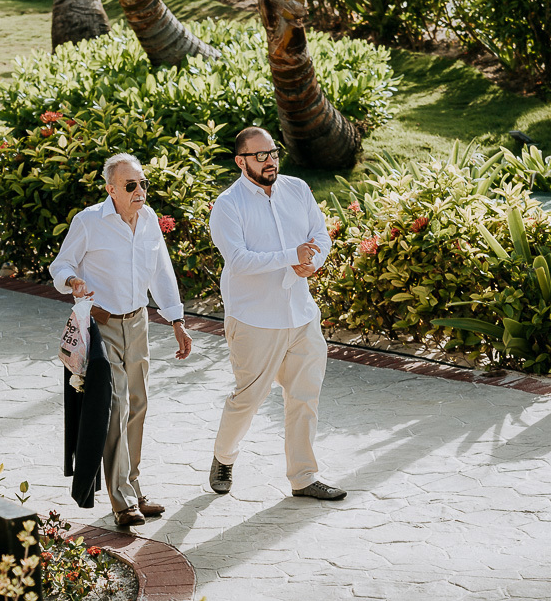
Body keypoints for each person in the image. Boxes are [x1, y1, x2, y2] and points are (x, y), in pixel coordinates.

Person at [49, 153, 193, 526]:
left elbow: (162, 271)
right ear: (111, 189)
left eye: (143, 183)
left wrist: (176, 319)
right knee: (114, 407)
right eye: (131, 185)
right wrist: (72, 282)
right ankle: (121, 500)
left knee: (138, 404)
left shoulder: (147, 221)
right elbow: (60, 265)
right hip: (103, 324)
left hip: (139, 322)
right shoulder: (89, 222)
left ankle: (133, 485)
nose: (140, 191)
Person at [207, 126, 346, 501]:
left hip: (301, 314)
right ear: (241, 161)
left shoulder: (297, 189)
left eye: (273, 153)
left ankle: (303, 477)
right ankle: (224, 457)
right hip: (254, 319)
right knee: (248, 399)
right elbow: (238, 260)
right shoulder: (228, 205)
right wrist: (292, 257)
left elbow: (320, 234)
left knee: (304, 397)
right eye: (260, 156)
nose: (270, 161)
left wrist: (313, 262)